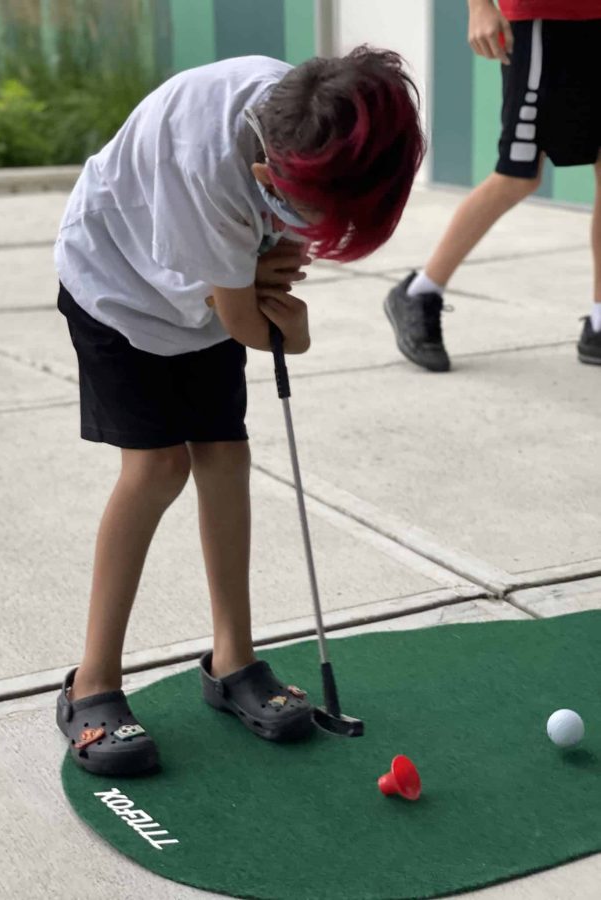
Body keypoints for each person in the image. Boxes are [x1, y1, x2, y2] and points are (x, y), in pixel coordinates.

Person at [54, 47, 425, 775]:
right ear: (266, 174)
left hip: (198, 300)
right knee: (157, 468)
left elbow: (260, 279)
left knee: (225, 457)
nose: (307, 230)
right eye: (305, 212)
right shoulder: (207, 164)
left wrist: (254, 274)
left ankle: (232, 661)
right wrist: (288, 326)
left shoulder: (313, 118)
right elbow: (249, 320)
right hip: (117, 287)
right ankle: (90, 682)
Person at [384, 0, 601, 372]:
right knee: (518, 173)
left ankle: (599, 322)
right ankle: (419, 291)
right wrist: (479, 6)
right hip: (540, 20)